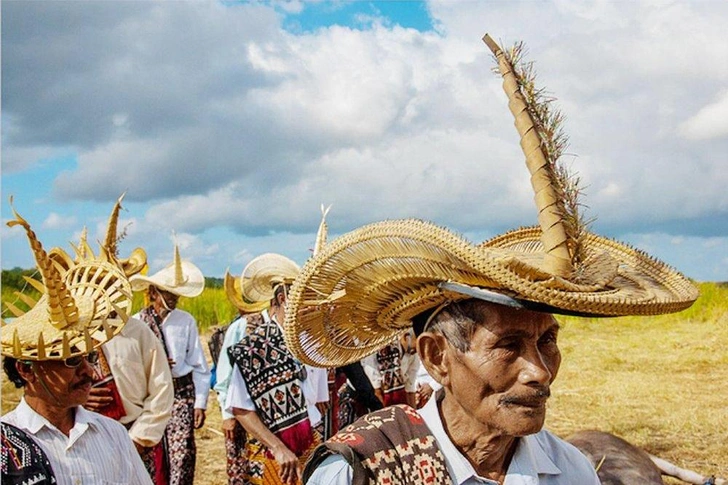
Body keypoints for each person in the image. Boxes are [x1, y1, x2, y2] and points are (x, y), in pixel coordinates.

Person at [281, 34, 700, 485]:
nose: (540, 372)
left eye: (547, 342)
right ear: (438, 357)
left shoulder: (570, 472)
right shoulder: (361, 470)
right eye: (508, 346)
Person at [1, 205, 152, 485]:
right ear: (26, 369)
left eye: (90, 357)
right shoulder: (5, 445)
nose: (90, 372)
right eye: (72, 360)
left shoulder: (113, 435)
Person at [50, 195, 174, 485]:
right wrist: (77, 400)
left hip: (137, 439)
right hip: (82, 441)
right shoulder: (68, 336)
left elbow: (161, 391)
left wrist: (137, 440)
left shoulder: (138, 332)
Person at [223, 253, 327, 485]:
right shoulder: (255, 348)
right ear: (283, 298)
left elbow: (320, 402)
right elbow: (240, 408)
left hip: (313, 445)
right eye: (302, 300)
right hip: (273, 453)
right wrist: (278, 447)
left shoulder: (312, 345)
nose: (309, 308)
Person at [130, 245, 210, 485]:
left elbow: (199, 365)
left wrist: (200, 403)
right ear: (154, 292)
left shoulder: (186, 321)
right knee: (150, 451)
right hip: (148, 395)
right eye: (169, 293)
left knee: (181, 453)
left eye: (176, 294)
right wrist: (155, 363)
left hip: (180, 393)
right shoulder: (137, 323)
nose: (174, 299)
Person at [213, 267, 269, 485]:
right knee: (240, 466)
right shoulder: (239, 327)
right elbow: (225, 374)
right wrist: (227, 415)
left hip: (262, 411)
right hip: (240, 409)